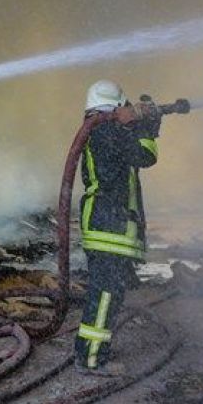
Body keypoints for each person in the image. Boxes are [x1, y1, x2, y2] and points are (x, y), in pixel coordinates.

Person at [75, 79, 161, 373]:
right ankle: (91, 360)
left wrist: (142, 122)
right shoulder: (107, 131)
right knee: (106, 293)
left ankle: (92, 352)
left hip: (107, 222)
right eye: (125, 105)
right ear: (114, 109)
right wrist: (148, 126)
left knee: (107, 292)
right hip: (108, 225)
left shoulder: (99, 131)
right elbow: (145, 156)